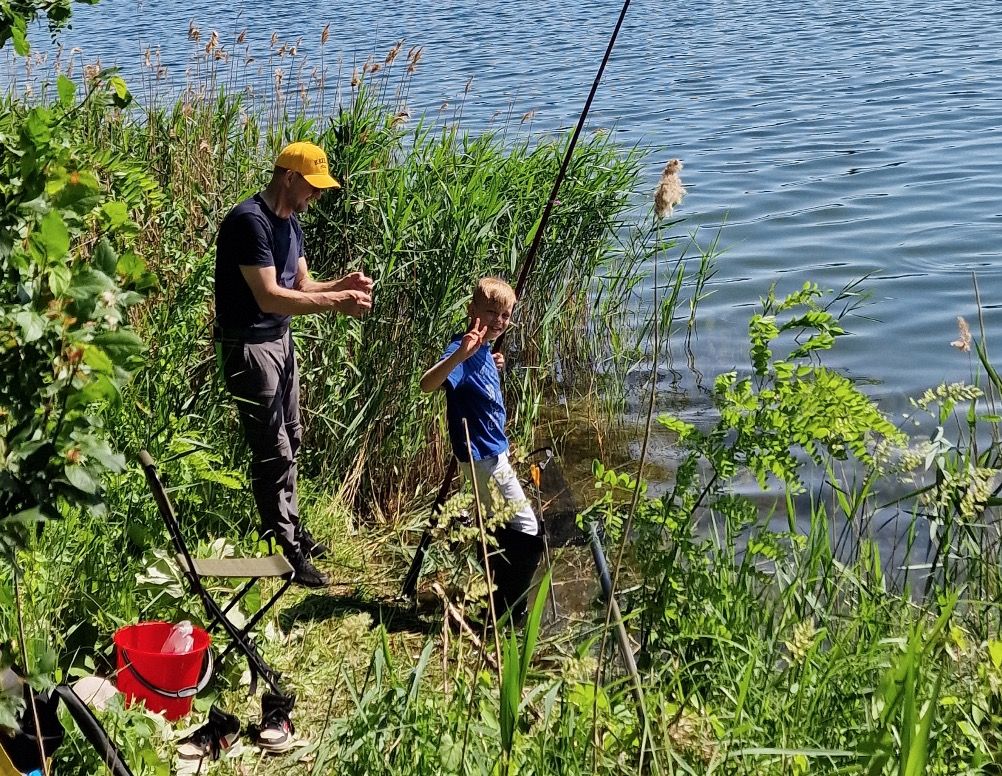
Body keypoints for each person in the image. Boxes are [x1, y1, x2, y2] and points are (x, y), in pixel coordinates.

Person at [214, 141, 373, 588]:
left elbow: (301, 283)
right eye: (312, 187)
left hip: (281, 341)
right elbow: (268, 295)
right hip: (249, 346)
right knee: (273, 450)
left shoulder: (291, 222)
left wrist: (342, 284)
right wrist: (336, 302)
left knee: (293, 439)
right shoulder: (250, 221)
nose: (315, 197)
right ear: (289, 177)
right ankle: (284, 551)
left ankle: (291, 528)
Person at [419, 277, 543, 622]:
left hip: (492, 453)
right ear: (472, 310)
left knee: (494, 525)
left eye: (505, 316)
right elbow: (427, 383)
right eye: (491, 312)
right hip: (483, 458)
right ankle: (509, 612)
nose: (498, 322)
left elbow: (479, 382)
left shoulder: (484, 351)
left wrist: (491, 359)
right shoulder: (464, 348)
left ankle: (492, 600)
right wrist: (462, 354)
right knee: (527, 527)